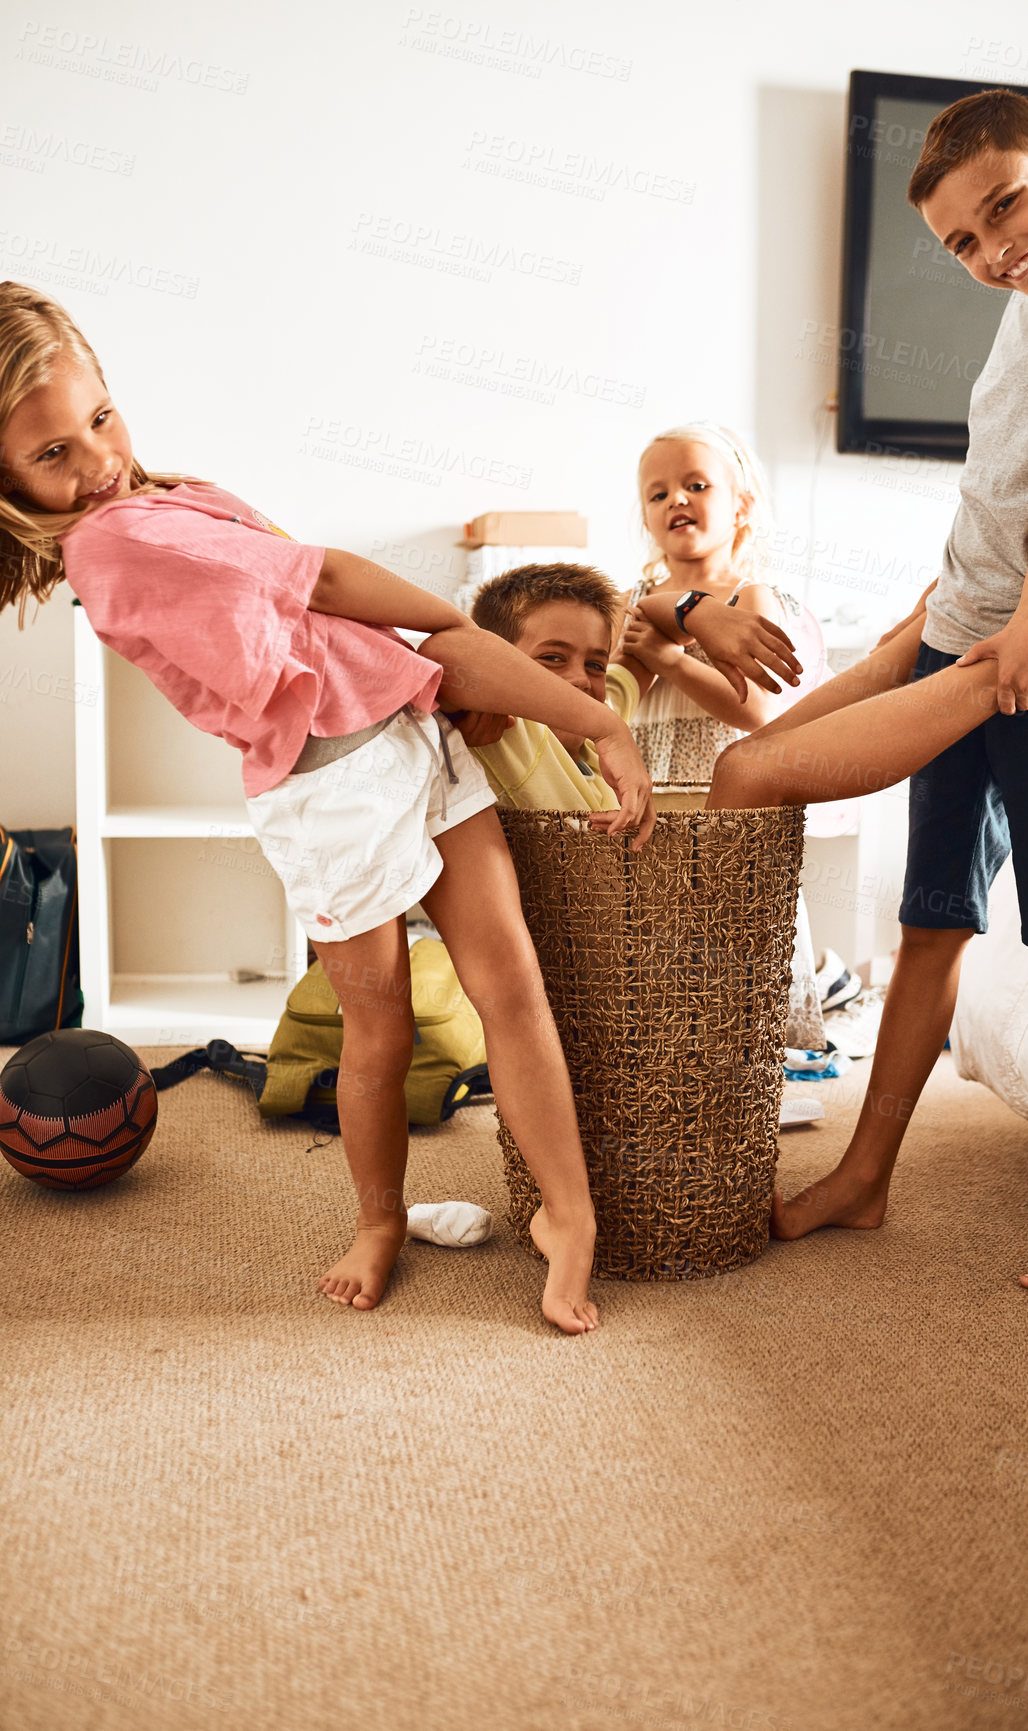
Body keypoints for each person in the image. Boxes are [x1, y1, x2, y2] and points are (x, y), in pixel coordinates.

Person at [0, 282, 683, 1334]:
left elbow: (363, 620)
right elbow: (321, 582)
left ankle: (570, 1213)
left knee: (512, 983)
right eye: (52, 455)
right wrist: (456, 631)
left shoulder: (171, 497)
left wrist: (585, 719)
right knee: (379, 1029)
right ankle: (379, 1220)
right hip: (331, 796)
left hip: (410, 735)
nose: (95, 460)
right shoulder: (107, 545)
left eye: (99, 418)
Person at [701, 87, 1028, 1300]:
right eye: (961, 242)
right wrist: (939, 611)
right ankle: (865, 1175)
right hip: (953, 645)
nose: (993, 250)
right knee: (931, 925)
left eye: (1005, 207)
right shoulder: (1026, 304)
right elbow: (1007, 491)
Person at [618, 421, 826, 788]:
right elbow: (607, 702)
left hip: (721, 800)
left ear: (741, 507)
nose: (676, 500)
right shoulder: (627, 603)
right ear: (647, 521)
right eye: (657, 495)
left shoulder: (748, 598)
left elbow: (760, 710)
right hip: (638, 798)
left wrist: (672, 662)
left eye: (696, 486)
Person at [456, 561, 641, 812]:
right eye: (553, 658)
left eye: (595, 665)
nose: (582, 680)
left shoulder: (601, 732)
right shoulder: (506, 729)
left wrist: (693, 604)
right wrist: (611, 729)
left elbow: (655, 631)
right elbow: (452, 650)